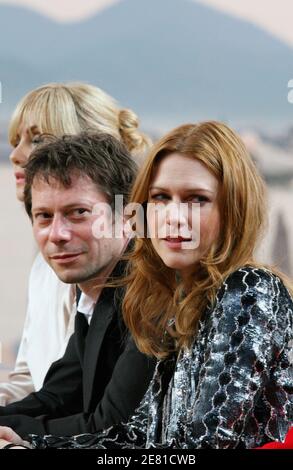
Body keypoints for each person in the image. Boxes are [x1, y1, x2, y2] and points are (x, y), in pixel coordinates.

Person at [8, 120, 292, 449]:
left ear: (234, 209)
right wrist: (29, 443)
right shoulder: (176, 302)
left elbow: (197, 448)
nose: (174, 216)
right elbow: (139, 435)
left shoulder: (247, 288)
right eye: (160, 198)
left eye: (197, 199)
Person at [0, 82, 150, 405]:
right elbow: (31, 379)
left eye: (37, 139)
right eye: (16, 141)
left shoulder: (139, 279)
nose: (16, 155)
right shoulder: (44, 269)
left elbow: (106, 421)